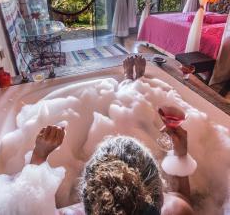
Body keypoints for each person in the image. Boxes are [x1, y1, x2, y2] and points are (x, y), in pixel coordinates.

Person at [30, 56, 194, 215]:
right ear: (159, 197)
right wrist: (180, 156)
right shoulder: (177, 210)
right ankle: (131, 83)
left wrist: (39, 155)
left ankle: (128, 82)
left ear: (87, 195)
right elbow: (182, 202)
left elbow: (30, 207)